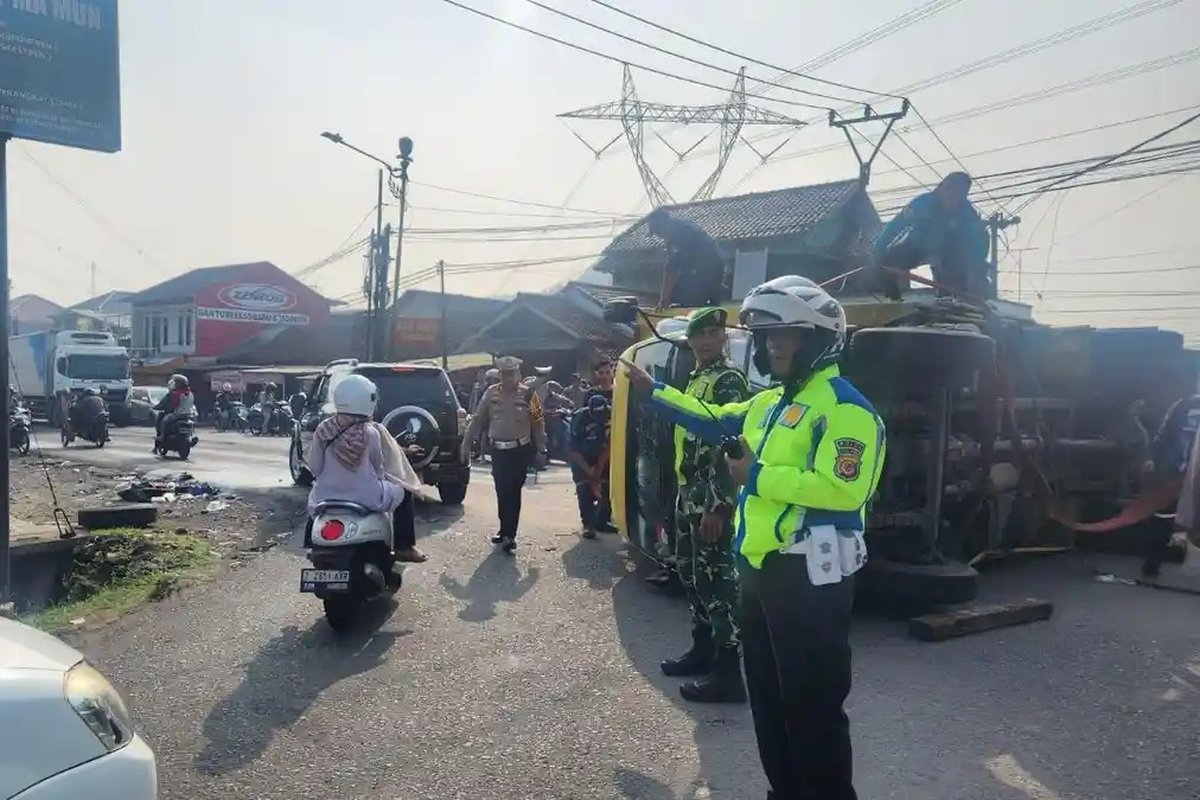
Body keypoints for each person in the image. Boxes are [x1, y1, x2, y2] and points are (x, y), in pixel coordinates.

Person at [623, 275, 886, 800]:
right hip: (760, 572)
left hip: (810, 577)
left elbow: (844, 489)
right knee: (768, 700)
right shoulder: (769, 403)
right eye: (768, 338)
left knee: (812, 709)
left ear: (818, 339)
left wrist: (757, 476)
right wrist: (658, 396)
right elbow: (717, 419)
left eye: (785, 336)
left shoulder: (845, 407)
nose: (773, 346)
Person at [660, 306, 752, 704]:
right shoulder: (697, 379)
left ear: (723, 337)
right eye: (700, 334)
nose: (707, 340)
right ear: (689, 340)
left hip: (710, 498)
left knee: (718, 581)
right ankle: (702, 650)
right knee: (693, 575)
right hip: (689, 494)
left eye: (714, 333)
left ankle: (730, 673)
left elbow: (728, 443)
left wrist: (720, 505)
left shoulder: (728, 380)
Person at [304, 374, 427, 563]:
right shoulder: (370, 432)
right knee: (405, 491)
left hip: (327, 495)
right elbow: (379, 468)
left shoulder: (323, 429)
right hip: (366, 496)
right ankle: (404, 547)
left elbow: (314, 467)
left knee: (315, 502)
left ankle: (312, 545)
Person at [461, 356, 548, 553]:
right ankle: (504, 528)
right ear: (499, 375)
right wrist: (466, 444)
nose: (508, 377)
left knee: (513, 490)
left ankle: (510, 534)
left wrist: (542, 447)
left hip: (520, 449)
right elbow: (477, 419)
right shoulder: (491, 393)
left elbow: (538, 422)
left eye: (512, 373)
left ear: (519, 374)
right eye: (504, 374)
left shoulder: (529, 395)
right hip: (498, 450)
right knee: (501, 489)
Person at [874, 171, 990, 298]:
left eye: (957, 195)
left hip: (948, 252)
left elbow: (980, 238)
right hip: (919, 246)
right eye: (949, 192)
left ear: (963, 196)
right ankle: (892, 297)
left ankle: (951, 293)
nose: (951, 199)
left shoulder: (967, 213)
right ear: (942, 190)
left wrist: (978, 264)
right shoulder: (923, 203)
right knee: (887, 259)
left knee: (955, 267)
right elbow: (896, 225)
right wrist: (880, 248)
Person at [1141, 392, 1200, 577]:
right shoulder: (1183, 406)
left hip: (1191, 473)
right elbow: (1163, 435)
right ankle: (1152, 562)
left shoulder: (1183, 405)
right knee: (1163, 516)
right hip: (1175, 471)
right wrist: (1151, 459)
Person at [646, 208, 727, 308]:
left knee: (678, 289)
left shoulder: (681, 234)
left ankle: (695, 306)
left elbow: (671, 270)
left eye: (658, 232)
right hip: (710, 269)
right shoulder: (680, 228)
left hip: (709, 271)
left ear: (665, 225)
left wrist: (664, 300)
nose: (659, 236)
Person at [569, 394, 612, 539]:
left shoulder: (611, 415)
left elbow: (610, 445)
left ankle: (602, 521)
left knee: (607, 488)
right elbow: (573, 451)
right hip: (581, 457)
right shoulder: (579, 419)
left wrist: (598, 470)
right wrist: (589, 471)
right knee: (584, 489)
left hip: (602, 454)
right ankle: (588, 525)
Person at [153, 374, 196, 452]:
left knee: (164, 421)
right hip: (188, 415)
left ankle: (162, 436)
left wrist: (155, 407)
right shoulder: (190, 393)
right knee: (192, 425)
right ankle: (191, 437)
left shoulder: (175, 393)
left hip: (177, 415)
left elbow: (171, 405)